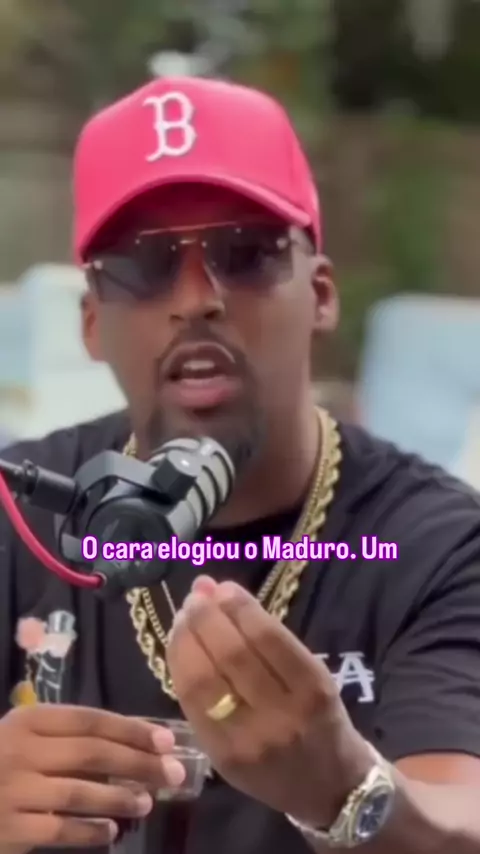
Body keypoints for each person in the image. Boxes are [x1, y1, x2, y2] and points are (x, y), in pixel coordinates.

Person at [0, 76, 480, 854]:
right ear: (91, 323)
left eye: (245, 252)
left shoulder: (437, 542)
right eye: (143, 264)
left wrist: (346, 788)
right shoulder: (18, 507)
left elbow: (463, 817)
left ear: (321, 295)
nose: (198, 299)